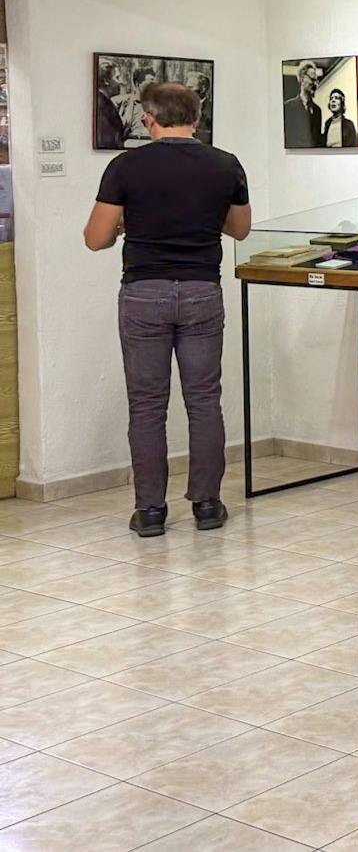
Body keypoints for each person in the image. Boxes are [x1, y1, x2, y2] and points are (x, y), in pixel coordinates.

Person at [83, 82, 251, 538]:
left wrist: (124, 225)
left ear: (148, 119)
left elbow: (95, 238)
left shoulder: (125, 166)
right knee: (203, 401)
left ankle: (151, 511)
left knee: (147, 406)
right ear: (196, 118)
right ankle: (208, 505)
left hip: (143, 292)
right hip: (201, 289)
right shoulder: (225, 164)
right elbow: (240, 230)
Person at [284, 60, 325, 148]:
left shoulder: (318, 111)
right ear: (302, 79)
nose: (315, 84)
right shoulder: (288, 107)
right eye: (312, 79)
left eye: (316, 81)